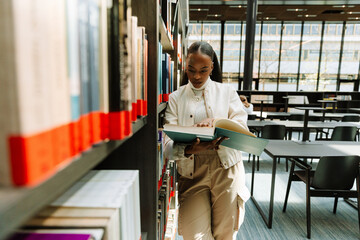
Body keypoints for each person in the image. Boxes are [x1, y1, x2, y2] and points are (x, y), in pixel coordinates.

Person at [164, 41, 250, 240]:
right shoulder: (175, 98)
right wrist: (188, 150)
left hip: (226, 168)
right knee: (195, 236)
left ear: (212, 67)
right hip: (192, 170)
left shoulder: (227, 92)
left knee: (225, 234)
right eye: (191, 69)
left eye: (203, 70)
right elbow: (167, 144)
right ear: (185, 65)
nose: (196, 76)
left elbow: (242, 128)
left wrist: (220, 122)